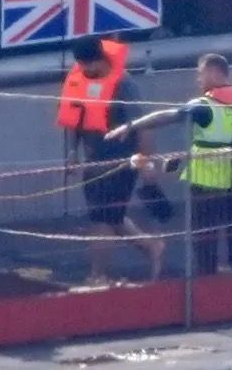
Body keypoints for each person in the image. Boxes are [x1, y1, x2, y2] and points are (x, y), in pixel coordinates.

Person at [106, 54, 232, 275]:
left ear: (215, 72)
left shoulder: (205, 105)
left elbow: (167, 116)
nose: (198, 79)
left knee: (204, 235)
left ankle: (206, 281)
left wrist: (130, 126)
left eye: (201, 73)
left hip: (207, 180)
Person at [57, 36, 164, 283]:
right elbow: (74, 118)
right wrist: (73, 152)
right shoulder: (80, 80)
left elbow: (144, 125)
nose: (84, 70)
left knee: (101, 220)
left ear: (98, 60)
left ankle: (98, 275)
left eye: (87, 65)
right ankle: (152, 247)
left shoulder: (124, 84)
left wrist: (146, 160)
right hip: (93, 160)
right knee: (110, 216)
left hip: (121, 162)